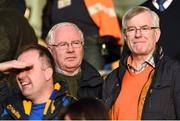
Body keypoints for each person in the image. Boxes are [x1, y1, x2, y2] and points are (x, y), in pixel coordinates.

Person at [103, 6, 180, 120]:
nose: (138, 35)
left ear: (157, 34)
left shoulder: (175, 72)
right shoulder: (112, 79)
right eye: (131, 29)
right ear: (125, 35)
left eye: (144, 28)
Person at [41, 0, 122, 70]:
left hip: (90, 39)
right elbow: (48, 12)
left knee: (92, 80)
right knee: (63, 80)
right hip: (59, 40)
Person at [0, 44, 74, 120]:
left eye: (28, 69)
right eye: (18, 71)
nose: (20, 76)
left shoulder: (73, 110)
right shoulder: (9, 107)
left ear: (48, 73)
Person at [46, 22, 104, 99]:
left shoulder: (98, 84)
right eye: (63, 44)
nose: (70, 49)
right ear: (50, 50)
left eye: (76, 43)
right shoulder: (41, 85)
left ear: (83, 46)